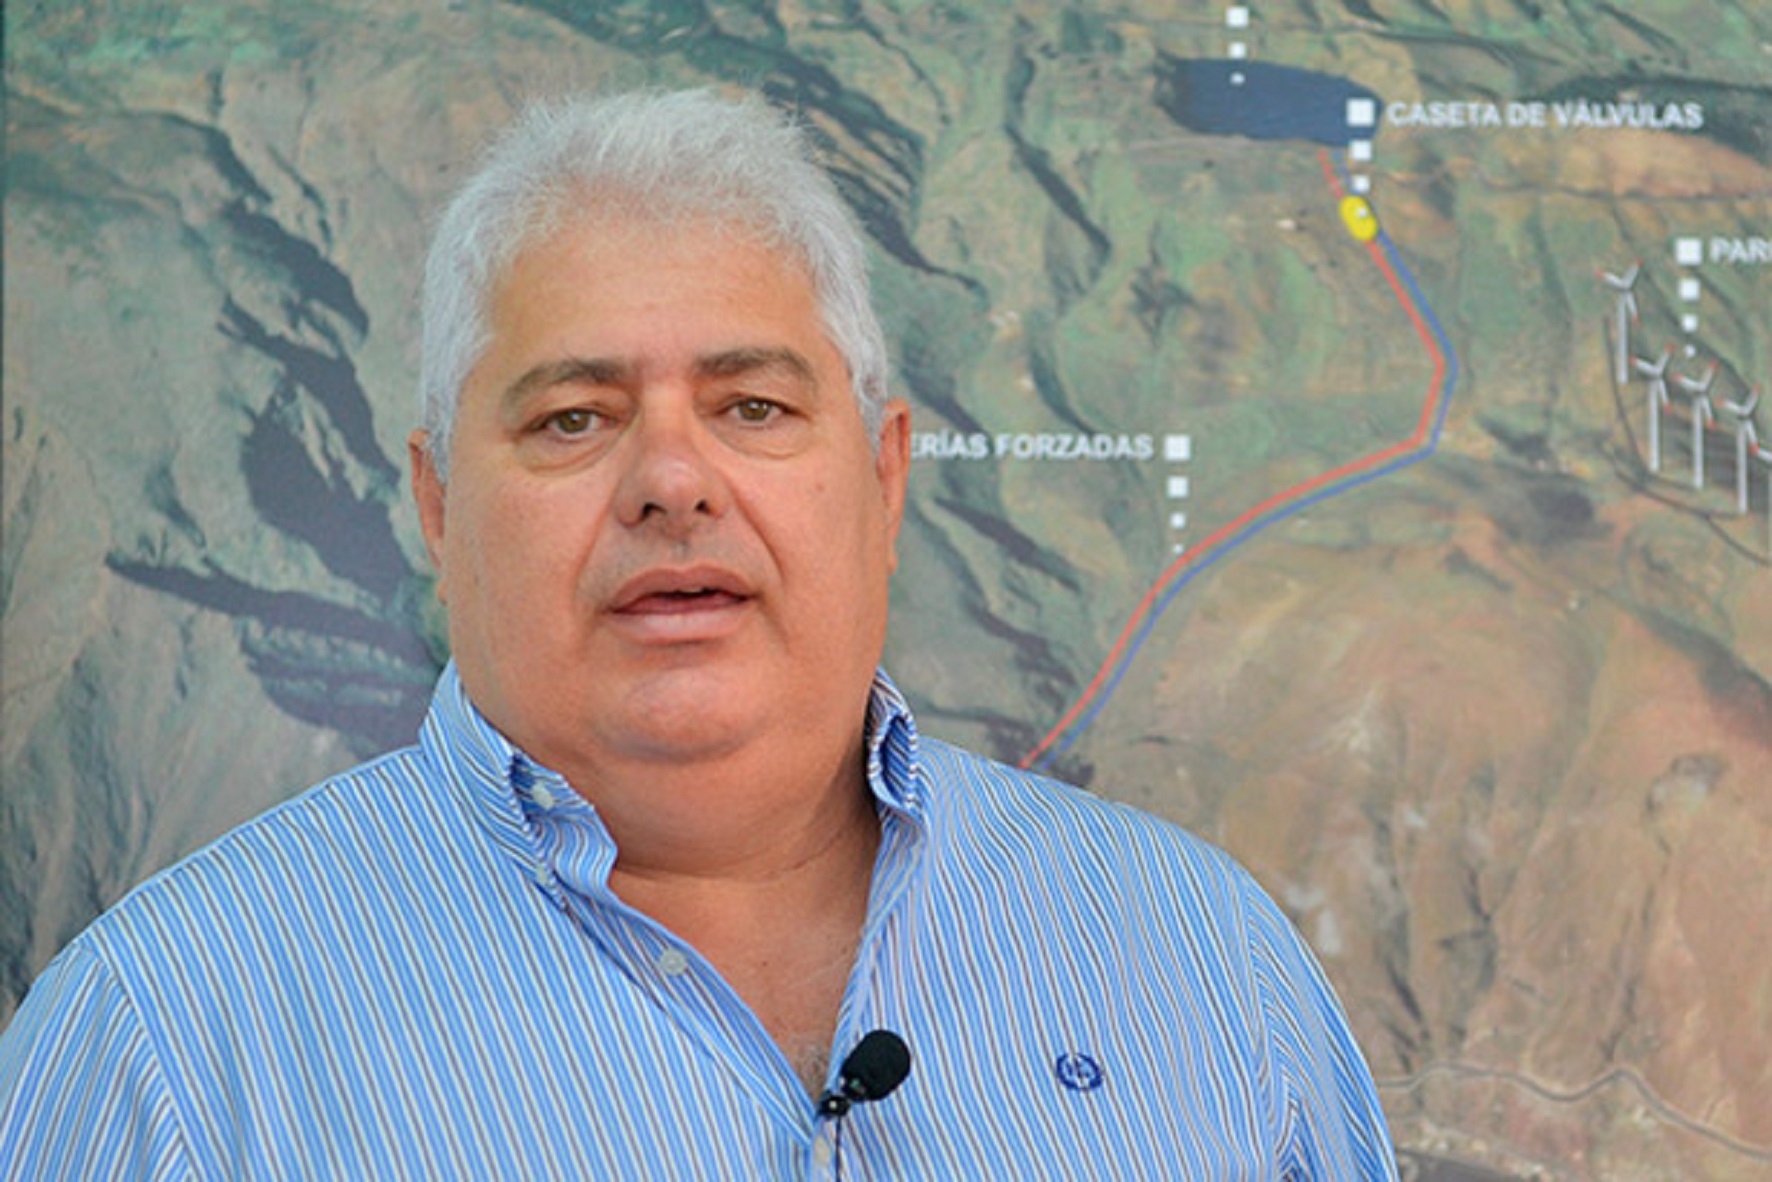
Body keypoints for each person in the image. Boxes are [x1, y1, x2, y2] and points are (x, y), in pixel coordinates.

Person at [0, 88, 1398, 1178]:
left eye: (753, 407)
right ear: (437, 505)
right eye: (574, 418)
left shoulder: (1197, 953)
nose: (673, 480)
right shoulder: (162, 1048)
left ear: (884, 478)